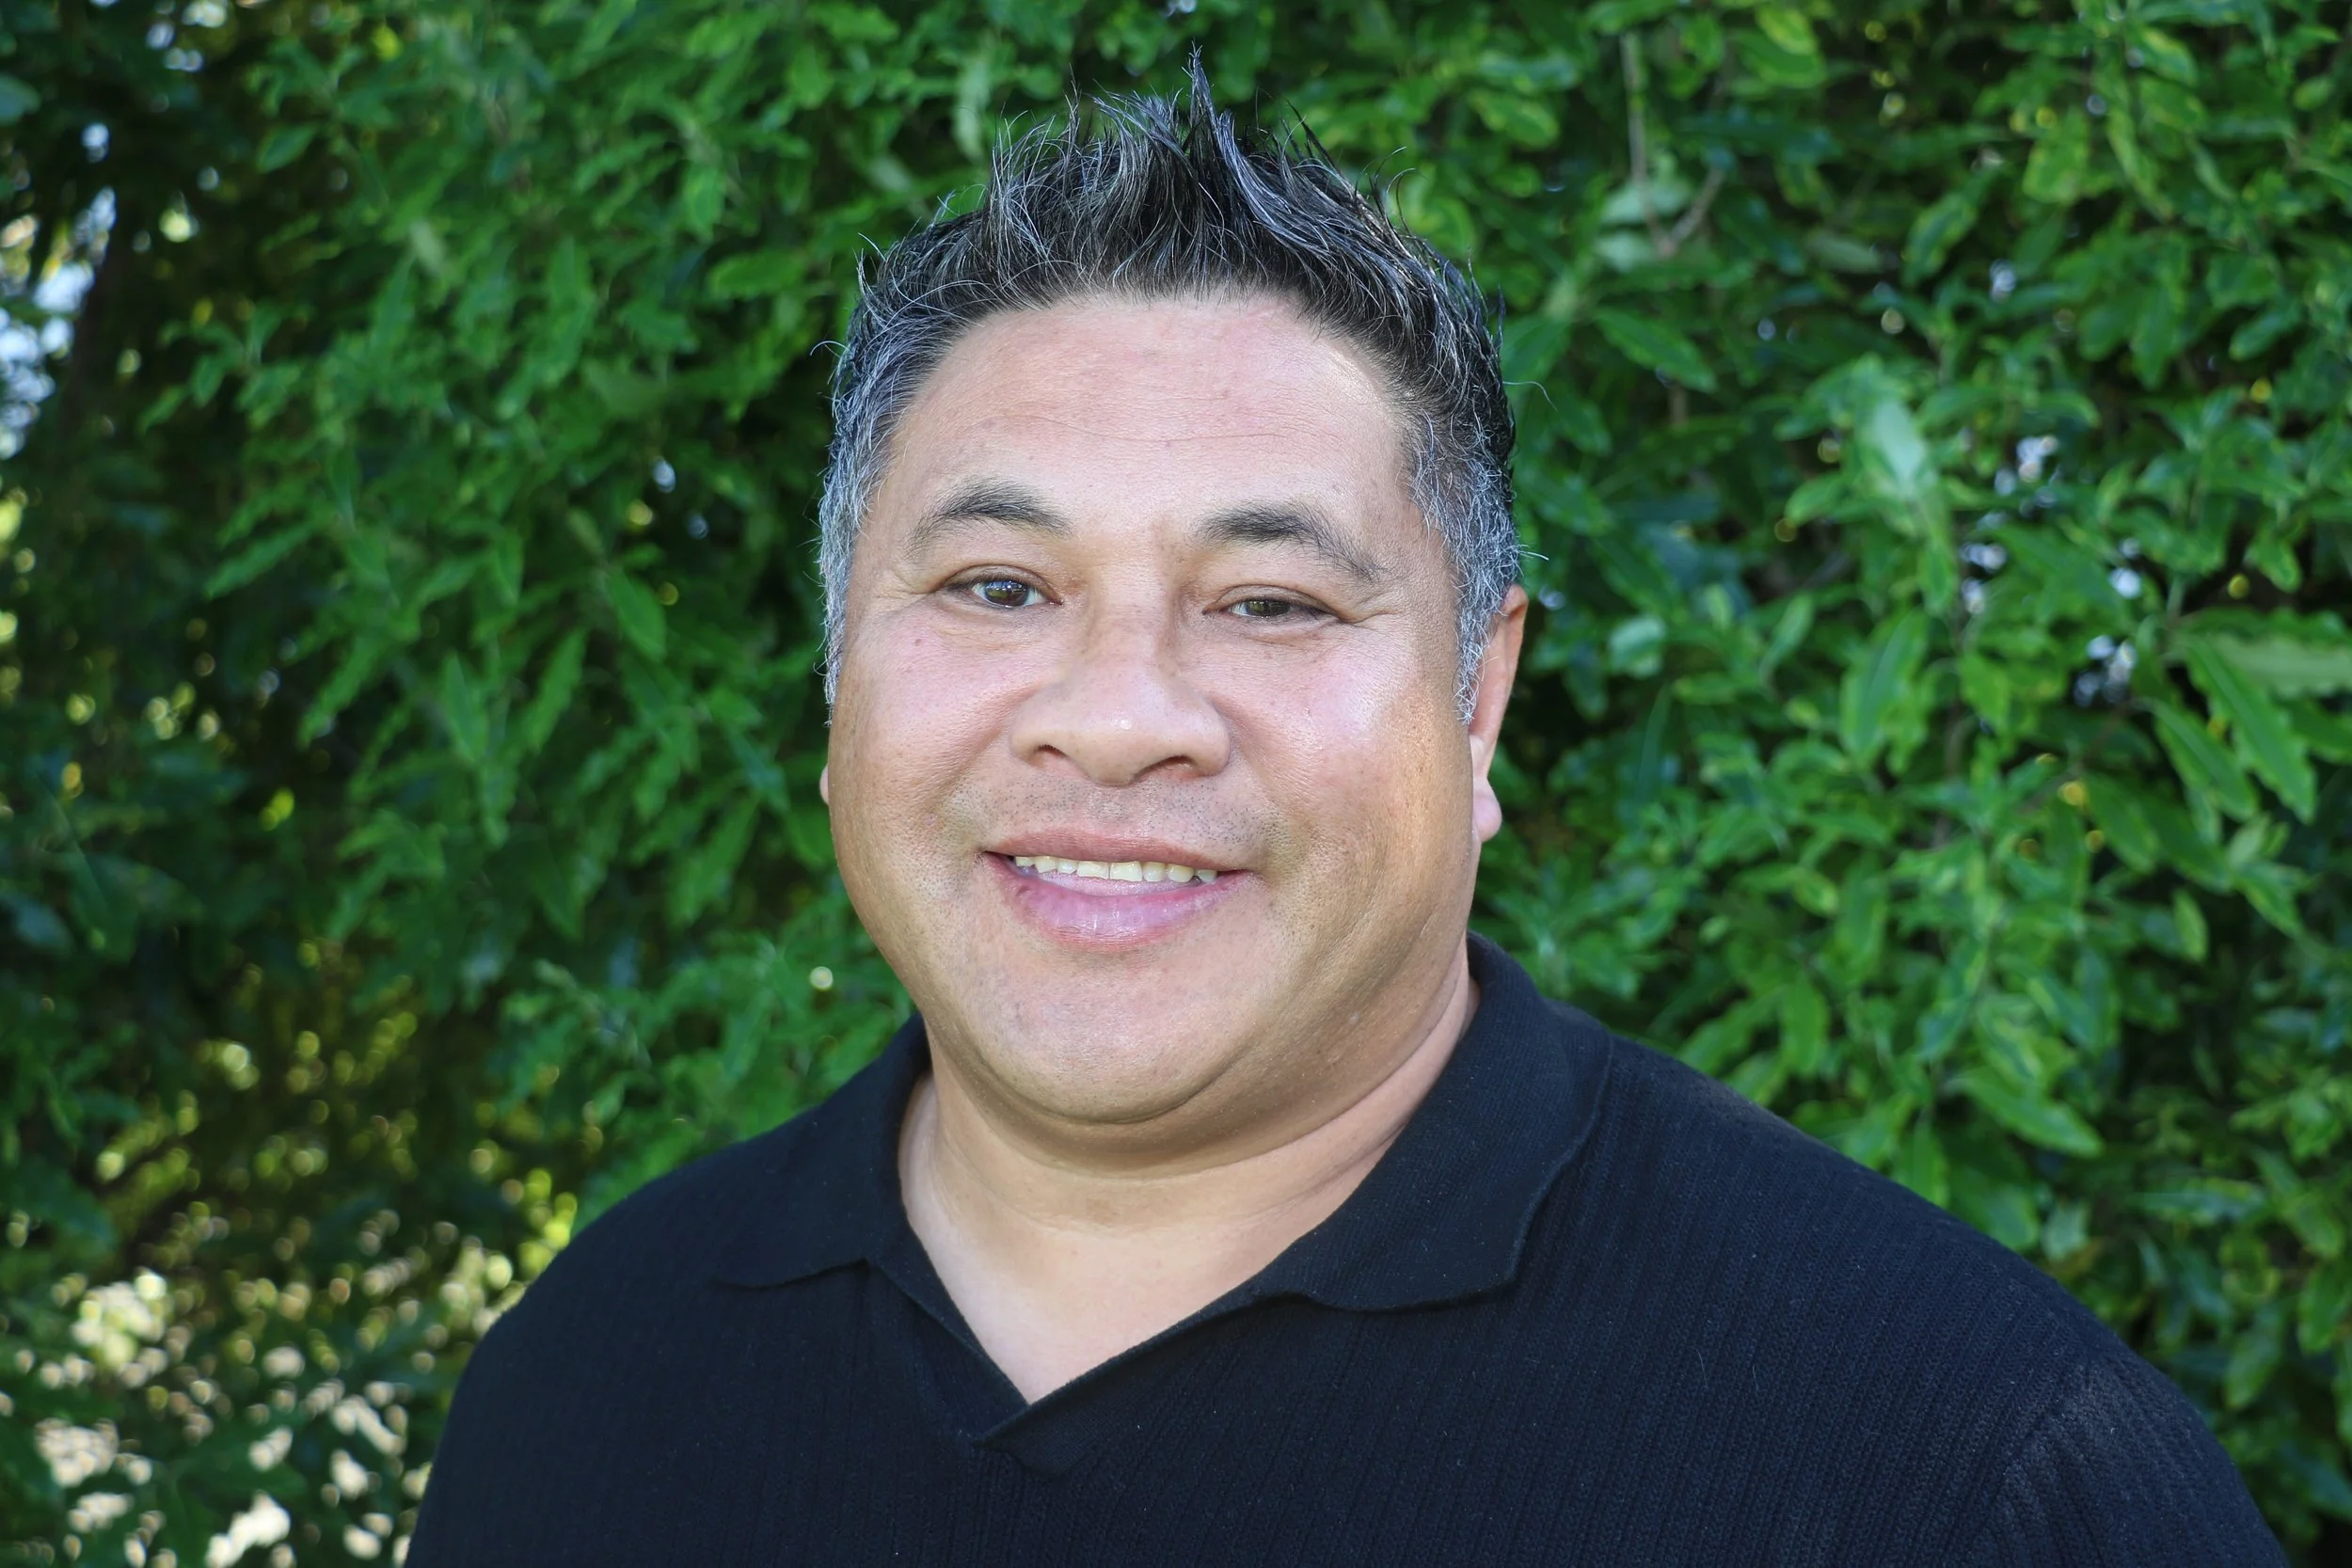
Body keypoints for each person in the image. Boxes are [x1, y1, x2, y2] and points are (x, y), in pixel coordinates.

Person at [410, 75, 2282, 1566]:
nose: (1118, 717)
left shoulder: (1960, 1467)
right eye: (994, 585)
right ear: (838, 685)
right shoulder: (591, 1381)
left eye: (1270, 601)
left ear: (1474, 697)